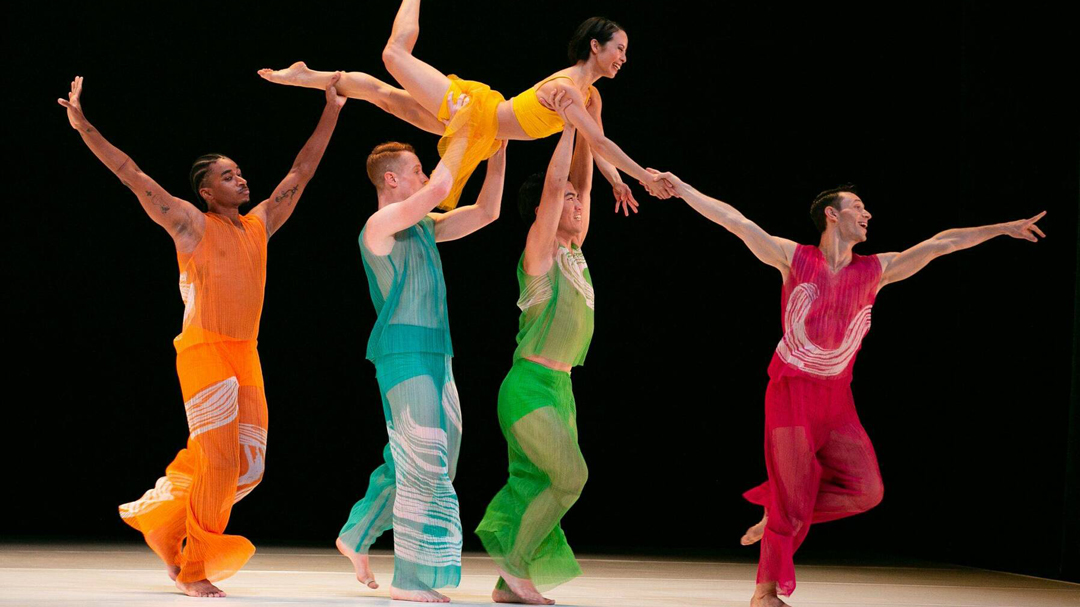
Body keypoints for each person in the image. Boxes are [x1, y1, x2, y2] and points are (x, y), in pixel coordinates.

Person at [661, 177, 1045, 607]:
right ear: (832, 213)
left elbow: (943, 243)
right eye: (858, 206)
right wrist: (683, 189)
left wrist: (1001, 228)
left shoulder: (876, 269)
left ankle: (781, 509)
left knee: (867, 491)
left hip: (837, 400)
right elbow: (734, 220)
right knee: (790, 502)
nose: (867, 215)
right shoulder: (793, 257)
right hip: (791, 394)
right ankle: (765, 592)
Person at [58, 74, 346, 598]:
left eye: (240, 173)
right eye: (228, 176)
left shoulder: (260, 225)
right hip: (203, 351)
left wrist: (332, 109)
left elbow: (302, 172)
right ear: (206, 190)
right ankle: (195, 569)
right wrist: (84, 127)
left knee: (248, 467)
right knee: (215, 459)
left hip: (246, 355)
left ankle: (169, 524)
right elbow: (132, 174)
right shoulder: (191, 225)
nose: (241, 180)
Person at [258, 5, 674, 212]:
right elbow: (599, 141)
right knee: (393, 54)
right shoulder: (567, 89)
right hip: (472, 110)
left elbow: (596, 145)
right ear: (595, 47)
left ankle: (308, 75)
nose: (623, 57)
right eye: (619, 49)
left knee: (384, 98)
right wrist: (644, 177)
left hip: (479, 130)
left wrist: (618, 181)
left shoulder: (583, 96)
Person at [335, 114, 508, 603]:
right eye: (416, 169)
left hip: (438, 352)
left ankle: (356, 531)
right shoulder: (380, 225)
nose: (425, 176)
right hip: (403, 353)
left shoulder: (426, 228)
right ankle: (410, 579)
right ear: (392, 179)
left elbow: (488, 212)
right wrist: (468, 130)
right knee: (423, 461)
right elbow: (438, 189)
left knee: (433, 457)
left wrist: (499, 149)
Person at [475, 92, 594, 605]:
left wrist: (590, 111)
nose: (574, 202)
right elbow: (554, 186)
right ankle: (518, 568)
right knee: (572, 476)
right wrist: (567, 126)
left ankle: (507, 585)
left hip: (561, 388)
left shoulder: (576, 250)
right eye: (566, 199)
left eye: (575, 199)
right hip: (527, 387)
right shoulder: (541, 251)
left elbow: (583, 180)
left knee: (534, 481)